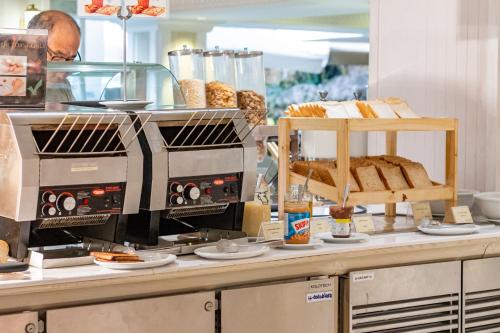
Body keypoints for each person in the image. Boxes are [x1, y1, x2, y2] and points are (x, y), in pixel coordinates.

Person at [28, 10, 81, 102]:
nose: (64, 72)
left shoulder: (63, 85)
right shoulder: (10, 83)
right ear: (34, 47)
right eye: (58, 57)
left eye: (71, 58)